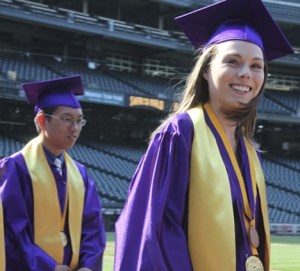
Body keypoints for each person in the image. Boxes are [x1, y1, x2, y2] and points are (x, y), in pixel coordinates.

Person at [114, 0, 294, 270]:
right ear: (207, 70)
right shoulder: (180, 134)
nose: (246, 73)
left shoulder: (248, 150)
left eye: (257, 66)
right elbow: (153, 235)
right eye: (233, 61)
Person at [0, 75, 106, 270]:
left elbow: (93, 227)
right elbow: (11, 230)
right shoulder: (16, 169)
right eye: (67, 119)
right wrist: (46, 266)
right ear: (42, 120)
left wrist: (88, 266)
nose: (75, 129)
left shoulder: (80, 175)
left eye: (79, 121)